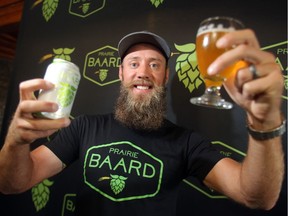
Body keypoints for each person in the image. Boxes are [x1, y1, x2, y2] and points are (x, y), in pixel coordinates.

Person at [0, 30, 285, 216]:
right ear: (121, 73)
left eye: (155, 64)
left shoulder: (187, 143)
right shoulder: (84, 127)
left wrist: (265, 121)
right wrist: (15, 142)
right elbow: (13, 183)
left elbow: (256, 196)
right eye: (134, 63)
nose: (143, 72)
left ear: (164, 76)